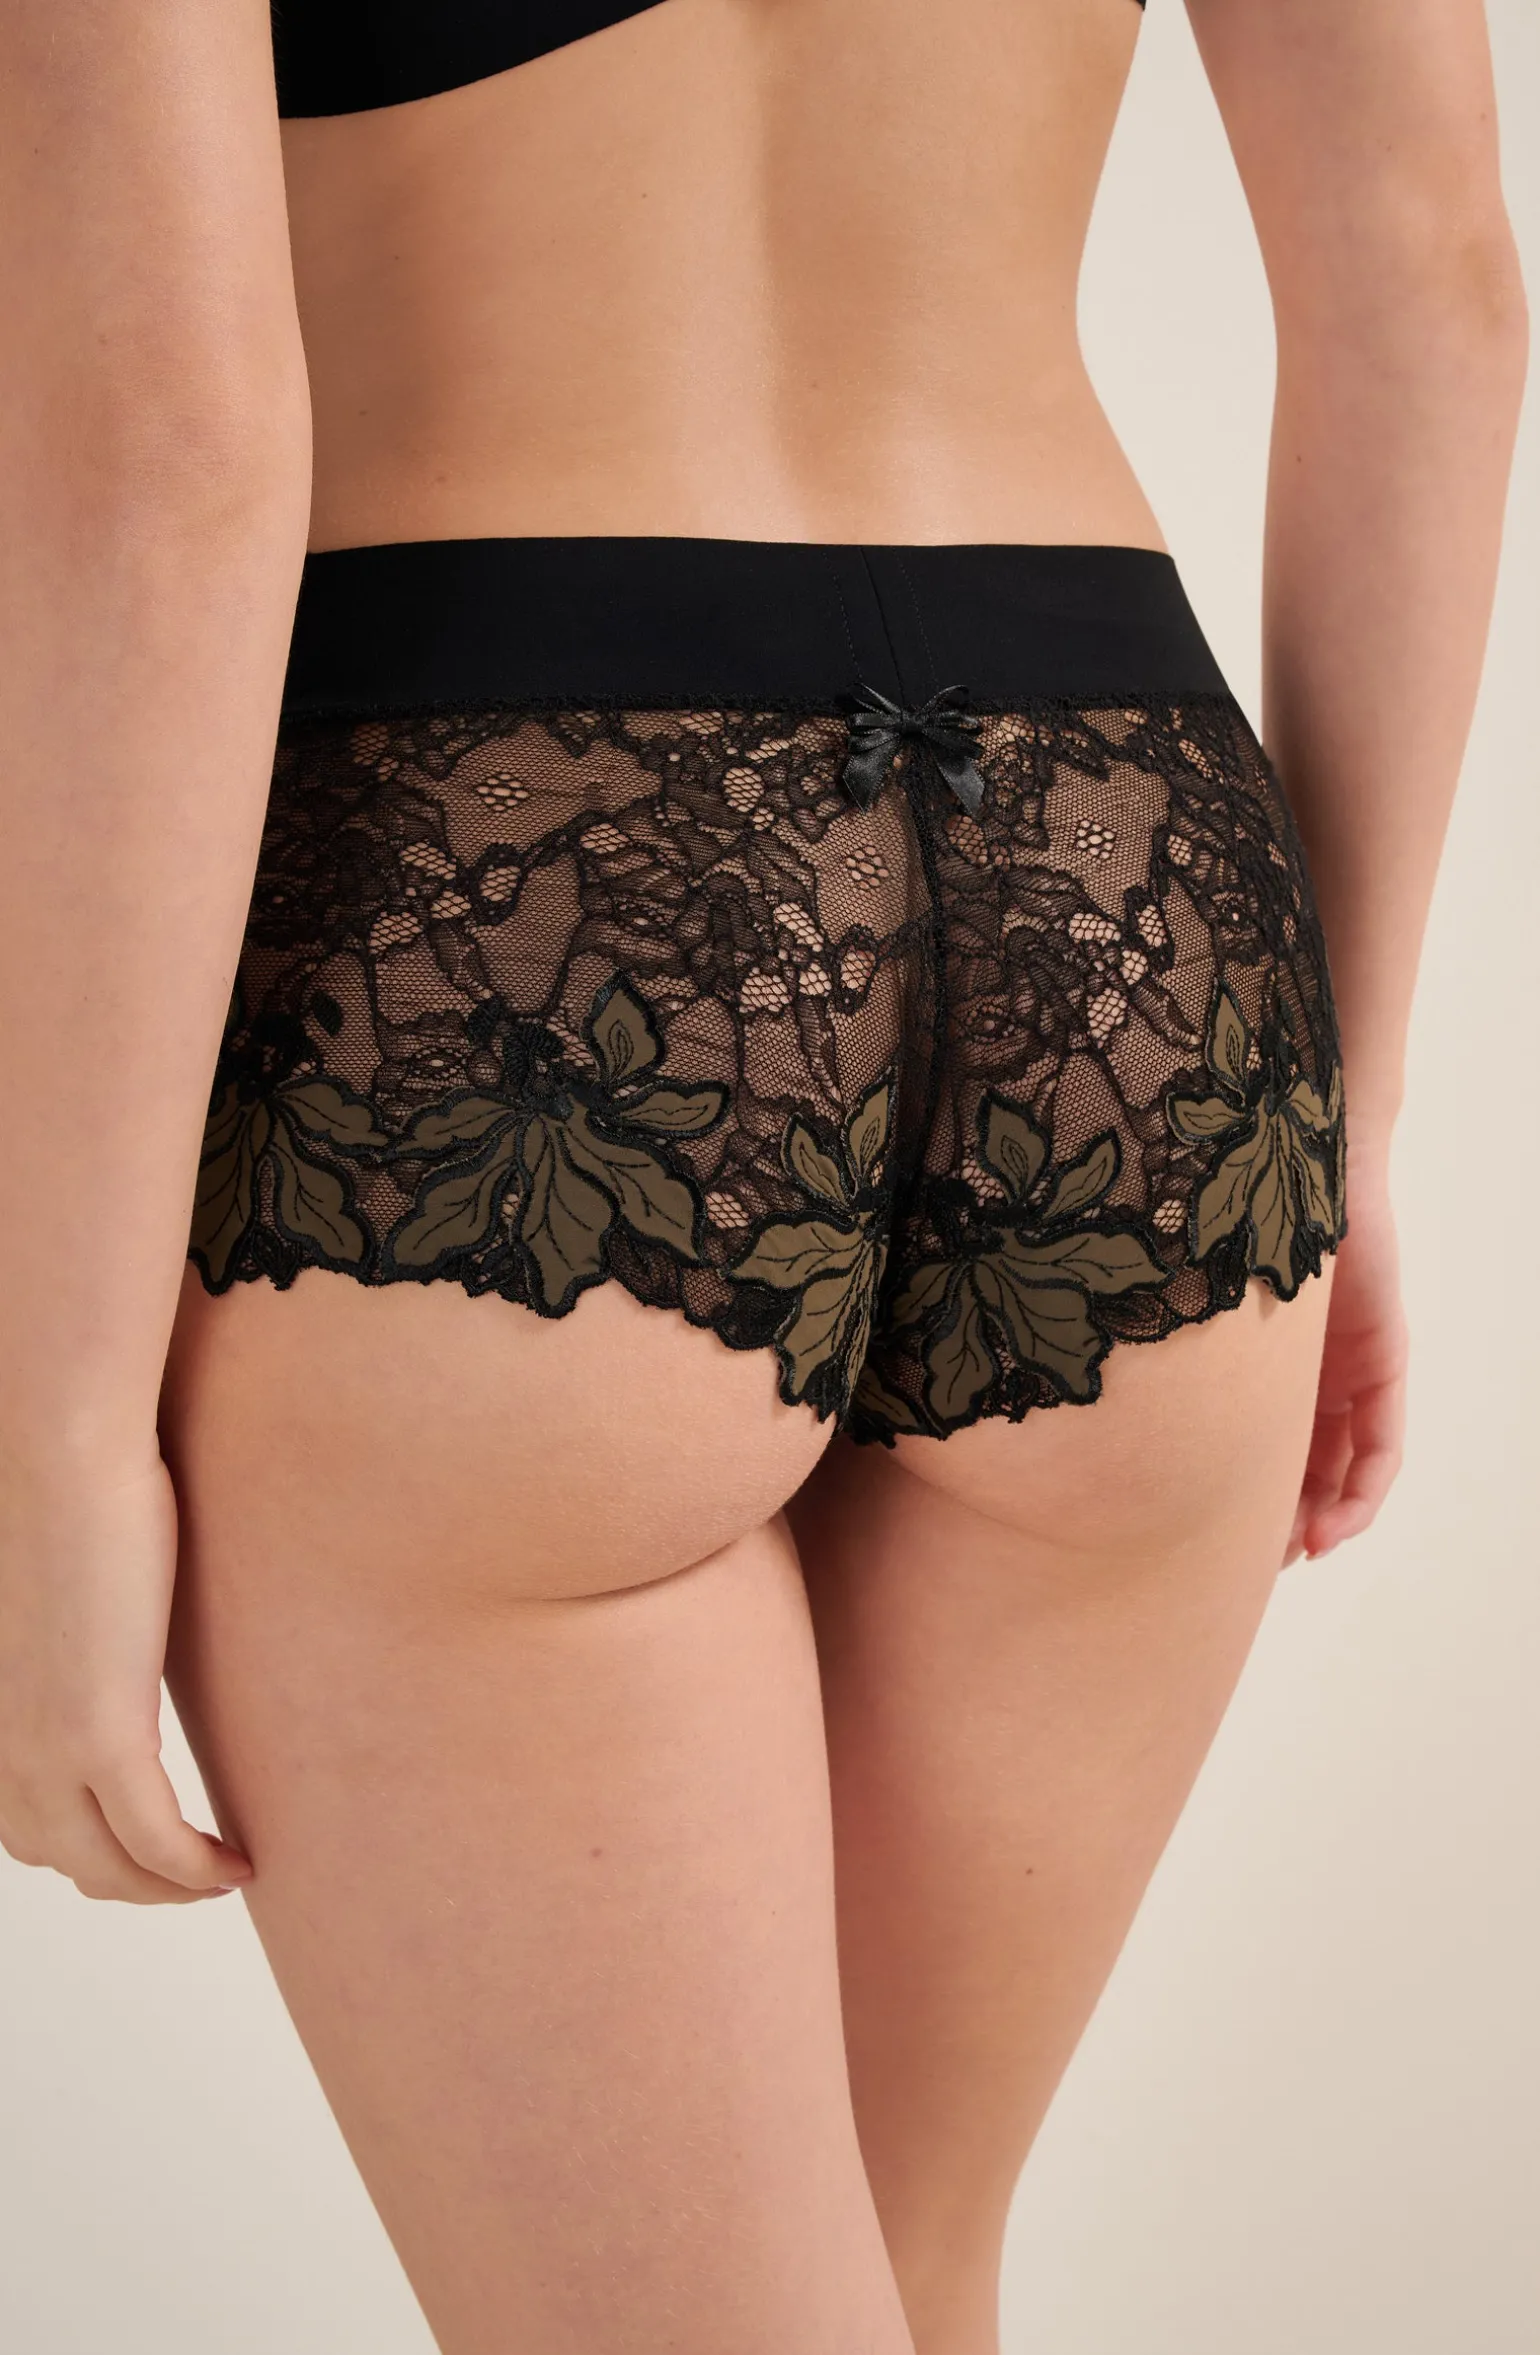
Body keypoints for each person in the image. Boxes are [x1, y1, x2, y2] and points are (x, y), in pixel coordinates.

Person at [0, 3, 1525, 2351]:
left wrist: (55, 1408)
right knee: (904, 2279)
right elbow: (1430, 277)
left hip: (504, 906)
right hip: (1138, 928)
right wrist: (1356, 1107)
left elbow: (170, 449)